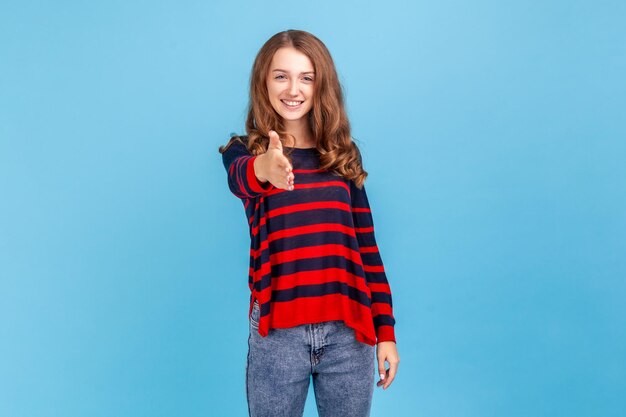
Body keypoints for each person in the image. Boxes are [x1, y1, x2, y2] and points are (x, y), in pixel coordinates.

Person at [218, 29, 400, 417]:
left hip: (349, 332)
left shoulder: (340, 158)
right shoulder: (244, 152)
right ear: (263, 82)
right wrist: (267, 167)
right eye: (280, 75)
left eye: (306, 77)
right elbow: (243, 178)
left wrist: (386, 332)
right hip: (278, 334)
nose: (293, 88)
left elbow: (368, 251)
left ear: (321, 85)